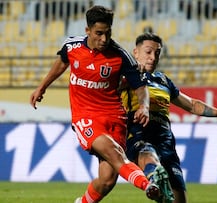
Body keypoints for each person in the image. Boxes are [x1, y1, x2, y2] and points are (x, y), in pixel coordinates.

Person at [30, 5, 166, 203]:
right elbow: (62, 62)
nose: (104, 39)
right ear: (88, 30)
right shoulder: (72, 47)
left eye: (108, 33)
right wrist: (42, 87)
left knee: (107, 181)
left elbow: (140, 87)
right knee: (115, 154)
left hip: (115, 118)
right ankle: (149, 186)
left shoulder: (120, 56)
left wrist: (144, 106)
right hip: (86, 117)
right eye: (99, 33)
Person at [120, 32, 217, 203]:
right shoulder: (125, 77)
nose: (153, 57)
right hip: (138, 133)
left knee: (179, 198)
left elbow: (191, 104)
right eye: (148, 52)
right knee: (147, 153)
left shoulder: (163, 80)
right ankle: (154, 179)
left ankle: (158, 183)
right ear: (135, 52)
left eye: (157, 53)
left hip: (165, 140)